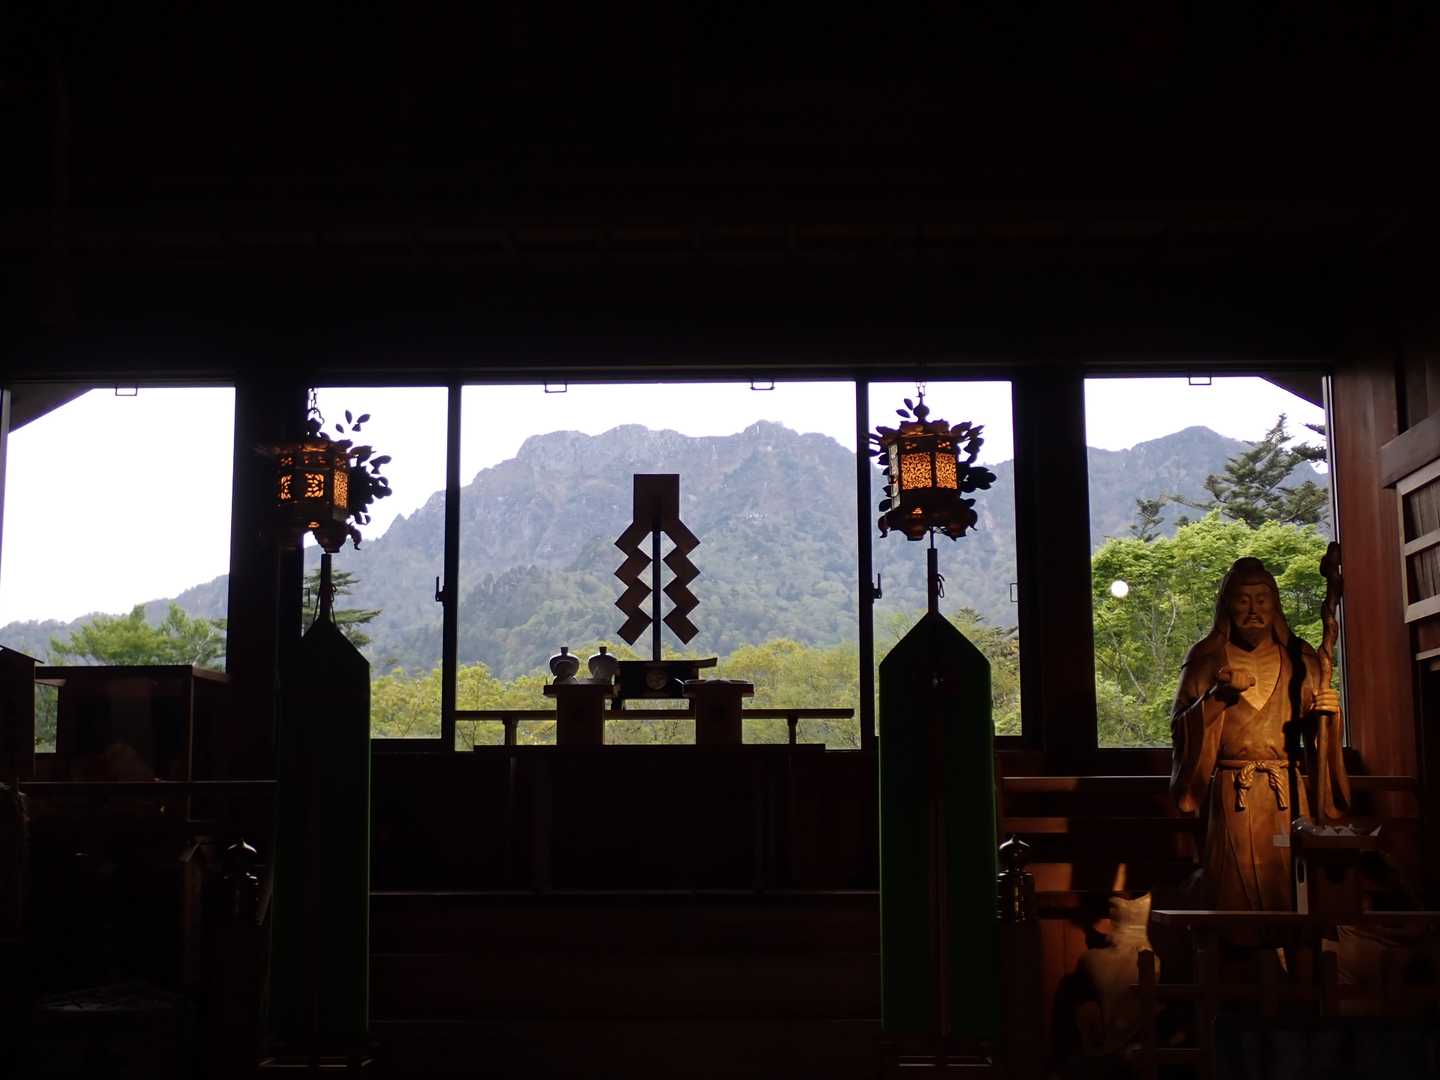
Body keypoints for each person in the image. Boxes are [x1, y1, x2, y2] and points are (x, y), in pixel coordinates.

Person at [1171, 557, 1350, 911]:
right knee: (1232, 887)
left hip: (1287, 793)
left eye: (1262, 599)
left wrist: (1329, 714)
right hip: (1231, 790)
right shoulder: (1207, 657)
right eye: (1243, 600)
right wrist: (1218, 697)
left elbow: (1317, 732)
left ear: (1275, 604)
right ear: (1227, 606)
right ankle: (1235, 946)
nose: (1253, 610)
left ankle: (1291, 945)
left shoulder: (1300, 658)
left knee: (1288, 884)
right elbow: (1180, 727)